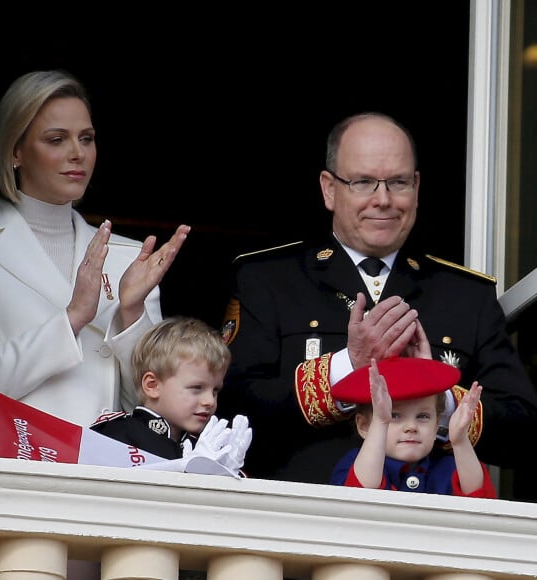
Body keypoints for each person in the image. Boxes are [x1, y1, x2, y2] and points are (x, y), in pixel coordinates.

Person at [218, 111, 537, 485]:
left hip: (429, 530)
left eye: (398, 182)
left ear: (416, 188)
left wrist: (436, 399)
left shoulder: (466, 295)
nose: (383, 199)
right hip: (301, 523)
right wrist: (347, 366)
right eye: (364, 182)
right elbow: (225, 412)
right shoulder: (268, 279)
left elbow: (525, 430)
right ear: (329, 189)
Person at [0, 70, 189, 580]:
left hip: (104, 489)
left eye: (86, 139)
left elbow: (158, 406)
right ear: (15, 151)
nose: (77, 153)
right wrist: (73, 320)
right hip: (7, 484)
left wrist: (129, 314)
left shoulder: (129, 257)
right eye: (56, 139)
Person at [91, 316, 251, 477]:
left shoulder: (209, 449)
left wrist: (228, 475)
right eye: (196, 388)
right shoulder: (116, 433)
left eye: (215, 391)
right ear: (152, 385)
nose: (210, 401)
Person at [329, 357, 496, 498]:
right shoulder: (354, 462)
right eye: (394, 416)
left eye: (423, 416)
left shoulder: (447, 466)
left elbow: (479, 501)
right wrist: (380, 423)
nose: (411, 427)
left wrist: (460, 441)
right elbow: (361, 496)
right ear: (364, 425)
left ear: (437, 424)